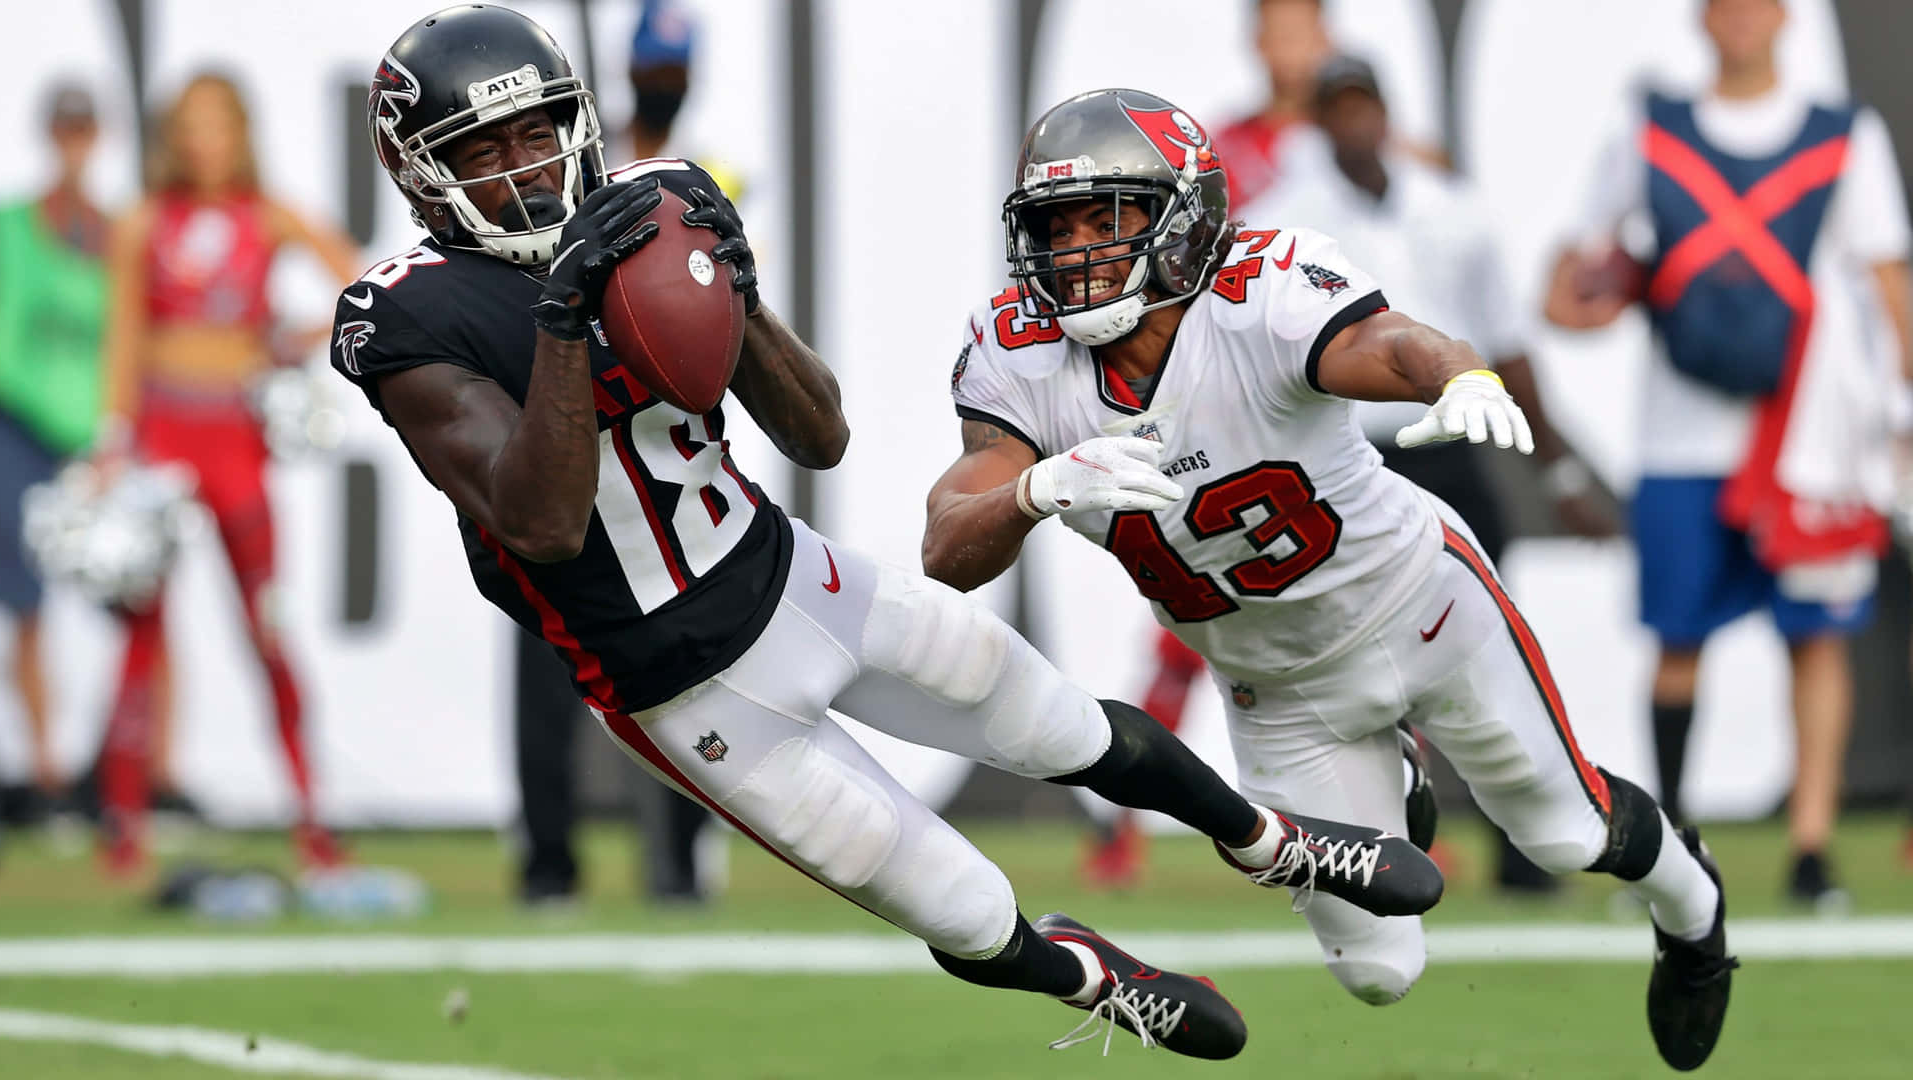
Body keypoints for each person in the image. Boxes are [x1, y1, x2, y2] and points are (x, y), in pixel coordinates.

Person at [335, 5, 1441, 1060]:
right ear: (421, 170)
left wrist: (743, 295)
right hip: (680, 687)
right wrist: (565, 322)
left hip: (791, 578)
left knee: (1057, 723)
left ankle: (1273, 841)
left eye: (541, 130)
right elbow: (540, 521)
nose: (528, 166)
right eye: (485, 146)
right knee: (960, 911)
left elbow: (820, 437)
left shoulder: (650, 203)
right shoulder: (404, 313)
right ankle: (1091, 980)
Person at [925, 86, 1737, 1070]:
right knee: (1378, 971)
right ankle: (1394, 769)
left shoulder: (1260, 289)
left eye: (1111, 218)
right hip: (1276, 688)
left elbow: (1385, 342)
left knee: (1565, 832)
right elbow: (946, 546)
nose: (1079, 251)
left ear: (1183, 222)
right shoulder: (1016, 355)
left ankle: (1695, 914)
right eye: (1058, 225)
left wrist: (1459, 376)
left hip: (1419, 605)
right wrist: (1032, 493)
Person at [1545, 0, 1912, 910]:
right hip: (1682, 435)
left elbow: (1886, 277)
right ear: (1702, 19)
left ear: (1785, 18)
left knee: (1816, 639)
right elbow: (1569, 277)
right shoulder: (1652, 128)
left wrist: (1899, 411)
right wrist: (1594, 294)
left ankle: (1811, 849)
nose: (1742, 19)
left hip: (1807, 443)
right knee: (1679, 638)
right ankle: (1673, 843)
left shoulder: (1843, 136)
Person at [1250, 54, 1624, 893]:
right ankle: (1376, 848)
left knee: (1488, 644)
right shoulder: (1283, 223)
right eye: (1336, 110)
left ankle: (1529, 851)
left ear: (1387, 112)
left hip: (1448, 450)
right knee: (1348, 654)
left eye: (1364, 107)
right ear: (1315, 122)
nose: (1353, 125)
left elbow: (1510, 348)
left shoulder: (1453, 212)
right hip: (1344, 454)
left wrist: (1559, 475)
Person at [99, 72, 359, 874]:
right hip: (163, 435)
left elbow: (353, 276)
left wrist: (292, 340)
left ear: (240, 132)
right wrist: (114, 440)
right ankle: (124, 824)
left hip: (235, 439)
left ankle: (311, 812)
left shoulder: (266, 215)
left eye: (216, 125)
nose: (202, 142)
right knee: (141, 636)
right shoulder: (144, 222)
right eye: (189, 126)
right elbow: (125, 338)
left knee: (267, 627)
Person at [510, 0, 719, 911]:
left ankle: (681, 858)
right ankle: (548, 861)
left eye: (670, 72)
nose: (660, 88)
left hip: (652, 442)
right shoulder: (560, 172)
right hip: (559, 424)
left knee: (688, 667)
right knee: (545, 668)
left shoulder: (702, 171)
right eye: (650, 70)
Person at [0, 83, 110, 824]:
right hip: (15, 426)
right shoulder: (11, 227)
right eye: (64, 130)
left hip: (96, 440)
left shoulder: (112, 233)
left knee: (139, 611)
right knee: (28, 605)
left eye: (83, 130)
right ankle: (45, 774)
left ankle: (135, 775)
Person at [1212, 0, 1332, 210]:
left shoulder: (1362, 142)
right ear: (1258, 41)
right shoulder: (1220, 152)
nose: (1290, 49)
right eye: (1280, 35)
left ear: (1324, 39)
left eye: (1300, 34)